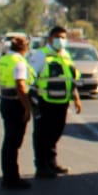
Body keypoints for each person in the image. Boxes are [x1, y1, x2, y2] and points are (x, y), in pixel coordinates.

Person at [27, 25, 82, 179]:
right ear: (50, 38)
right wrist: (31, 99)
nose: (61, 40)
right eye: (58, 37)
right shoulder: (41, 55)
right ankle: (41, 166)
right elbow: (31, 77)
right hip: (45, 101)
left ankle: (52, 163)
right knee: (42, 134)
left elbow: (71, 79)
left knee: (55, 132)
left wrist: (76, 99)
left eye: (64, 38)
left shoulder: (66, 56)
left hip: (62, 102)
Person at [0, 34, 35, 189]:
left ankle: (9, 175)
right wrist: (27, 108)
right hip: (16, 105)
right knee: (14, 142)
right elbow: (20, 86)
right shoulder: (19, 62)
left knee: (9, 141)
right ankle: (12, 178)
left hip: (5, 101)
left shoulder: (4, 59)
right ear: (24, 47)